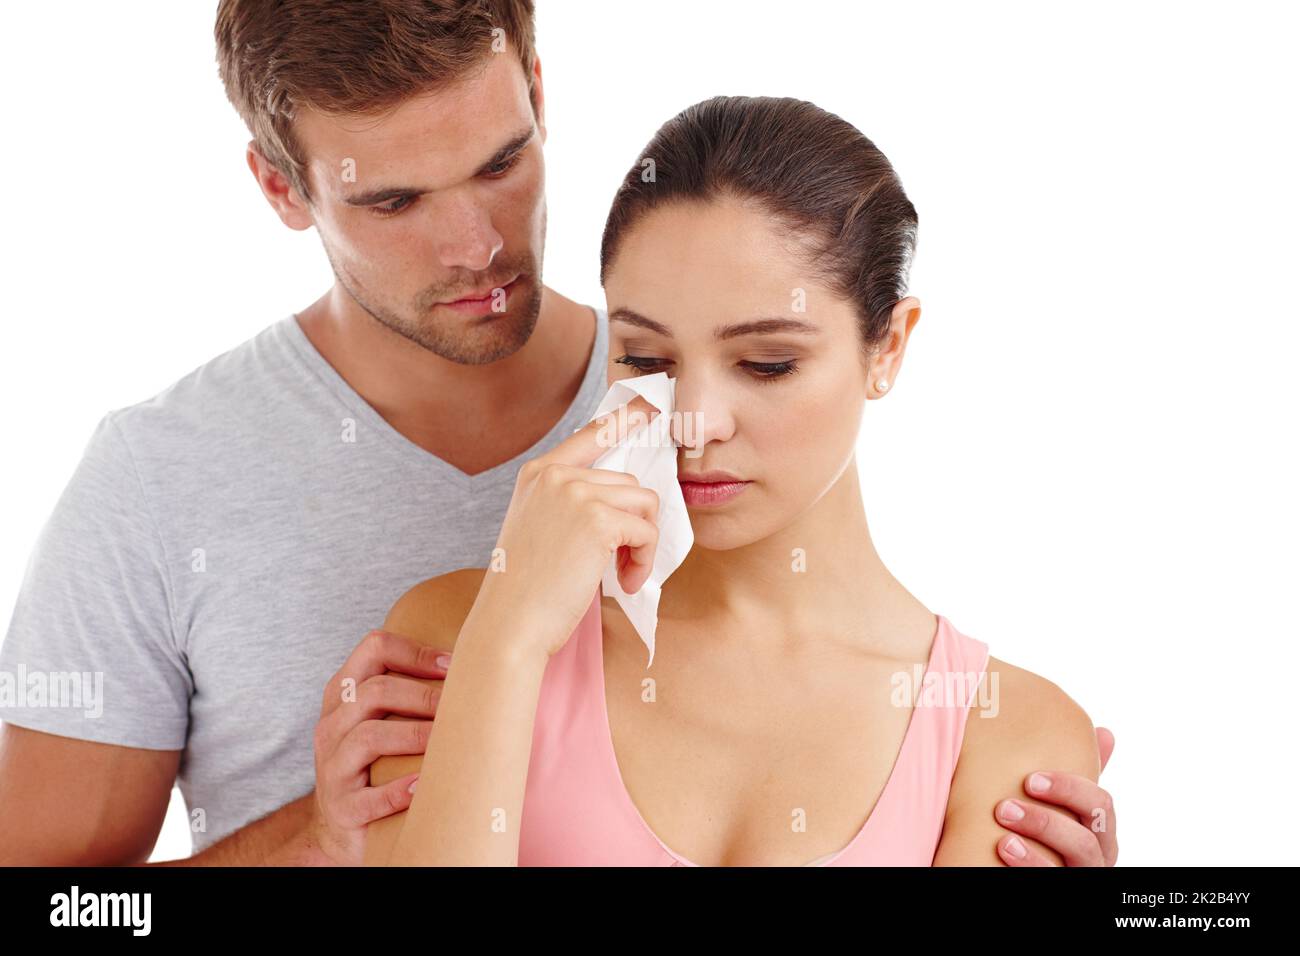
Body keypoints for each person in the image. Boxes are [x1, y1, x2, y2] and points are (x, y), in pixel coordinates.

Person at [0, 1, 1114, 867]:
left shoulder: (691, 360)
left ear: (538, 89)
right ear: (282, 187)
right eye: (393, 201)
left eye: (500, 162)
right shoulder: (160, 480)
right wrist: (318, 838)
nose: (478, 244)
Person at [364, 95, 1114, 866]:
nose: (693, 419)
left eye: (767, 364)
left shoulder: (1005, 727)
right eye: (648, 361)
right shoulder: (459, 640)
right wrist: (510, 637)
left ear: (887, 347)